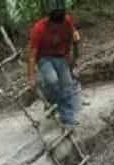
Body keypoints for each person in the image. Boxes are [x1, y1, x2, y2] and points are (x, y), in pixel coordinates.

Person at [27, 0, 81, 130]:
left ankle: (68, 119)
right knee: (52, 80)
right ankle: (50, 99)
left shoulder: (67, 22)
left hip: (61, 57)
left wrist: (72, 62)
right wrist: (31, 77)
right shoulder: (39, 28)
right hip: (44, 59)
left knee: (67, 85)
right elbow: (32, 55)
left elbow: (72, 41)